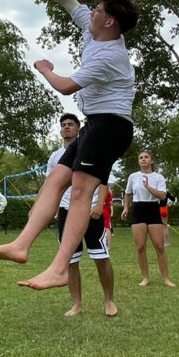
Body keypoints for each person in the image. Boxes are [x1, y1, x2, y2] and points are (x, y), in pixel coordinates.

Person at [0, 0, 138, 292]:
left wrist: (45, 70)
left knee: (80, 191)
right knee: (55, 180)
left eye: (98, 10)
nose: (91, 11)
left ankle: (59, 268)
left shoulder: (111, 55)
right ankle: (21, 245)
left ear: (110, 22)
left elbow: (66, 87)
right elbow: (68, 0)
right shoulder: (93, 30)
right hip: (96, 124)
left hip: (111, 125)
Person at [48, 113, 117, 317]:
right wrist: (51, 208)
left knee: (101, 257)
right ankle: (77, 304)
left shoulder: (92, 150)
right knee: (71, 260)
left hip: (90, 211)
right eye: (63, 125)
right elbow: (53, 185)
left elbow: (103, 182)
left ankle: (109, 301)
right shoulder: (55, 157)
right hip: (66, 212)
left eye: (71, 124)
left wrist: (98, 205)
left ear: (79, 129)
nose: (66, 127)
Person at [121, 151, 175, 287]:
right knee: (140, 247)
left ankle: (166, 278)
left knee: (159, 246)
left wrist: (148, 187)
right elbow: (128, 193)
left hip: (152, 210)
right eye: (140, 157)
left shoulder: (159, 177)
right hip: (138, 210)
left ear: (151, 161)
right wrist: (126, 207)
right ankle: (145, 277)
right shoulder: (133, 176)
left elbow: (163, 196)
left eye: (146, 157)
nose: (143, 159)